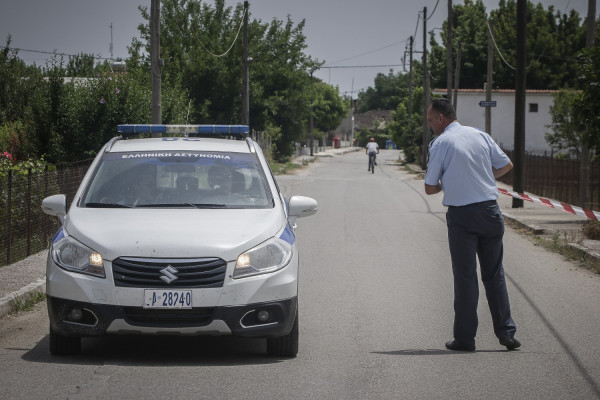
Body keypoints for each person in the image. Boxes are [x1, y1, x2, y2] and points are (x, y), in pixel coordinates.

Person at [424, 98, 520, 352]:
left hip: (462, 217)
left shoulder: (441, 143)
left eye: (431, 120)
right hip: (490, 213)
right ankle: (507, 333)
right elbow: (506, 165)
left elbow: (430, 187)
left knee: (466, 278)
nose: (431, 124)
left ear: (441, 119)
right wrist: (482, 176)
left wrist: (454, 181)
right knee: (494, 275)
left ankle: (465, 339)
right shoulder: (480, 135)